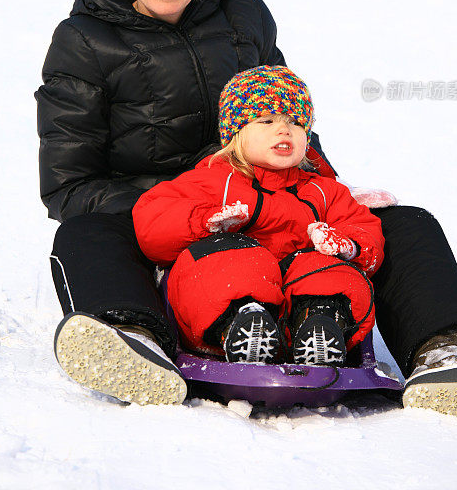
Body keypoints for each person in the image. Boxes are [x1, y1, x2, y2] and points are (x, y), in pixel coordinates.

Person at [35, 0, 457, 424]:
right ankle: (134, 341)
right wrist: (194, 206)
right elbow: (68, 186)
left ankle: (446, 355)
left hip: (268, 193)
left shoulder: (243, 15)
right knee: (83, 230)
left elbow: (285, 111)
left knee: (404, 223)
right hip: (161, 212)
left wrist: (326, 190)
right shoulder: (83, 40)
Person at [133, 65, 384, 366]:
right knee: (227, 259)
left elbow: (363, 226)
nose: (283, 130)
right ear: (236, 134)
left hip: (295, 306)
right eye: (266, 120)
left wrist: (348, 245)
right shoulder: (213, 180)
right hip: (228, 298)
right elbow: (153, 222)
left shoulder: (324, 190)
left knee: (329, 269)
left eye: (295, 122)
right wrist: (205, 223)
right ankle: (243, 326)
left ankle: (320, 326)